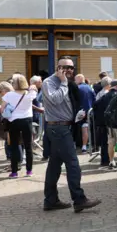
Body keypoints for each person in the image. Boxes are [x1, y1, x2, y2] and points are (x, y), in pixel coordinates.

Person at [42, 56, 101, 212]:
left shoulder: (69, 83)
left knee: (54, 166)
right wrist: (62, 82)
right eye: (64, 67)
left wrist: (76, 116)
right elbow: (55, 100)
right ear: (57, 68)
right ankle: (79, 199)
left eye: (71, 68)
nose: (68, 70)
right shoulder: (49, 82)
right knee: (73, 164)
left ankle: (50, 200)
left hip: (64, 127)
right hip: (58, 129)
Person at [1, 74, 37, 178]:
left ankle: (14, 172)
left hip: (14, 121)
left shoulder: (8, 95)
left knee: (14, 146)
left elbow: (2, 109)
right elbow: (34, 89)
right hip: (27, 120)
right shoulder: (30, 94)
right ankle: (29, 171)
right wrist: (32, 87)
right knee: (28, 146)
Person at [75, 74, 95, 153]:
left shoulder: (77, 88)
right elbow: (94, 99)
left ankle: (78, 145)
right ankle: (84, 146)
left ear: (79, 79)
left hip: (79, 111)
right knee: (86, 128)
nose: (75, 81)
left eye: (75, 79)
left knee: (78, 128)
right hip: (89, 111)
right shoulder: (90, 88)